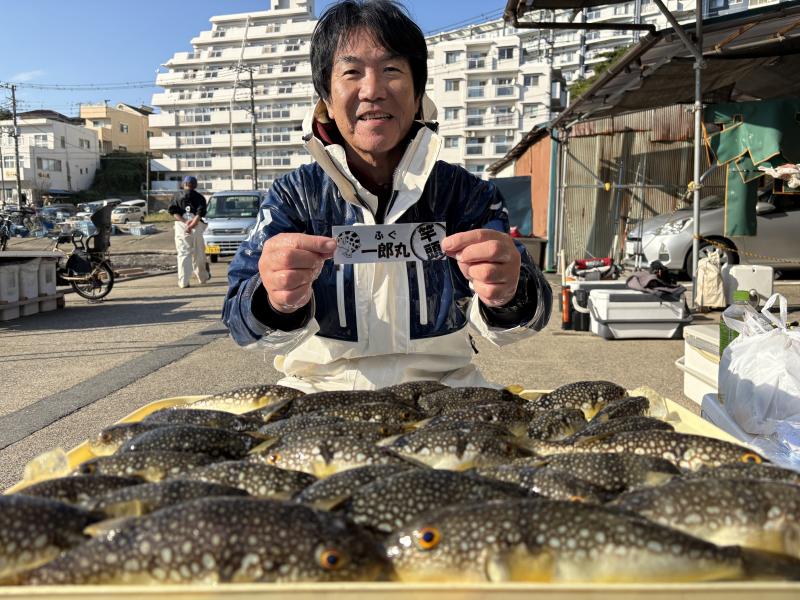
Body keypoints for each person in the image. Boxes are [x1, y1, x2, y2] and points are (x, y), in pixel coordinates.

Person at [223, 0, 551, 392]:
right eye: (351, 72)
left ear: (418, 95)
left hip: (447, 389)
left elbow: (530, 316)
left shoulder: (467, 194)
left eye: (392, 70)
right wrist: (272, 300)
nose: (373, 90)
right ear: (325, 98)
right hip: (318, 391)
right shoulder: (293, 196)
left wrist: (509, 293)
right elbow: (239, 322)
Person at [168, 175, 210, 288]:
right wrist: (191, 224)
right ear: (195, 185)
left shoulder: (176, 196)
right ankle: (202, 277)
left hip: (181, 225)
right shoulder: (200, 197)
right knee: (199, 253)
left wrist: (185, 222)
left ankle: (183, 282)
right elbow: (200, 213)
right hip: (196, 225)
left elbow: (174, 212)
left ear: (184, 184)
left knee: (183, 253)